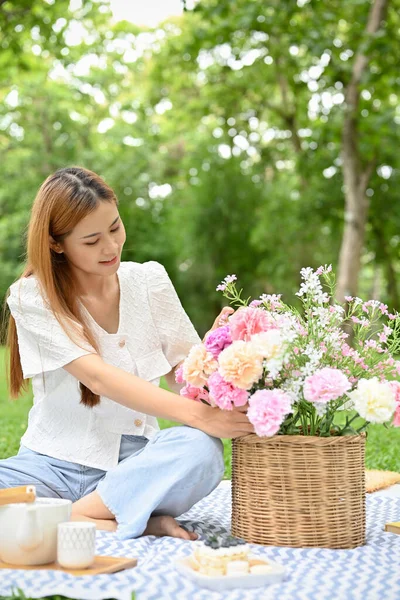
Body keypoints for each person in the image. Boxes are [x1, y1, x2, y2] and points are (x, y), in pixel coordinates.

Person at [0, 167, 253, 541]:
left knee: (200, 450)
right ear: (56, 243)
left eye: (115, 228)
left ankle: (65, 516)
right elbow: (98, 377)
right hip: (50, 465)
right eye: (91, 240)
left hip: (135, 466)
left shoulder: (149, 279)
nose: (111, 247)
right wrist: (201, 416)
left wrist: (213, 357)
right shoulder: (32, 295)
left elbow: (183, 374)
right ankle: (129, 516)